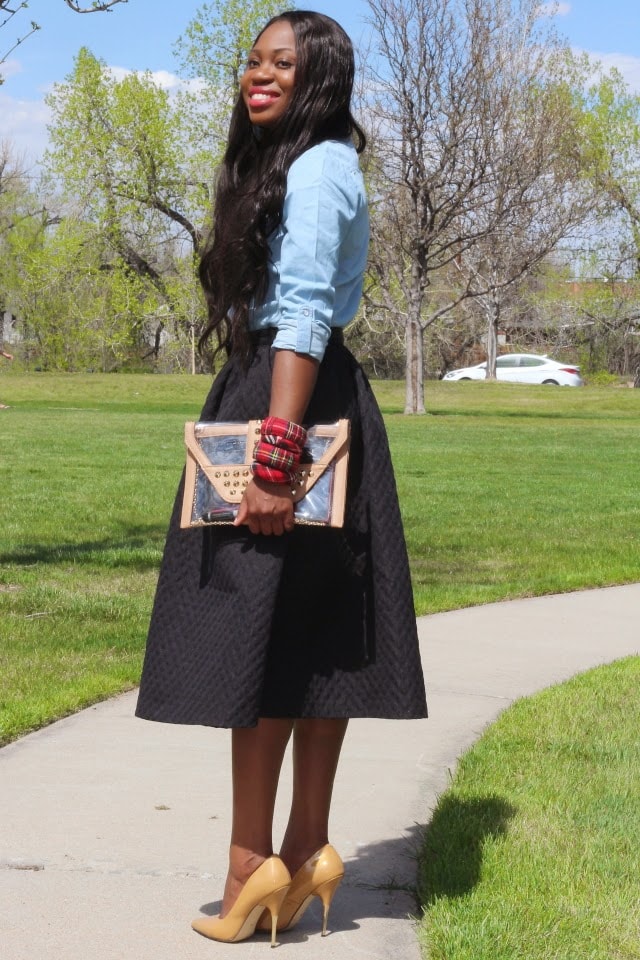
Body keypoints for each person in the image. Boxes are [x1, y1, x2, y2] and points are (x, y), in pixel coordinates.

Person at [135, 9, 427, 947]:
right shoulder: (306, 166)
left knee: (256, 639)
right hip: (298, 394)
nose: (257, 74)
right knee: (312, 634)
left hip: (288, 400)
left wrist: (274, 453)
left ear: (321, 80)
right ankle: (303, 854)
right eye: (253, 60)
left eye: (281, 64)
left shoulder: (318, 168)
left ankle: (249, 865)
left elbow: (302, 308)